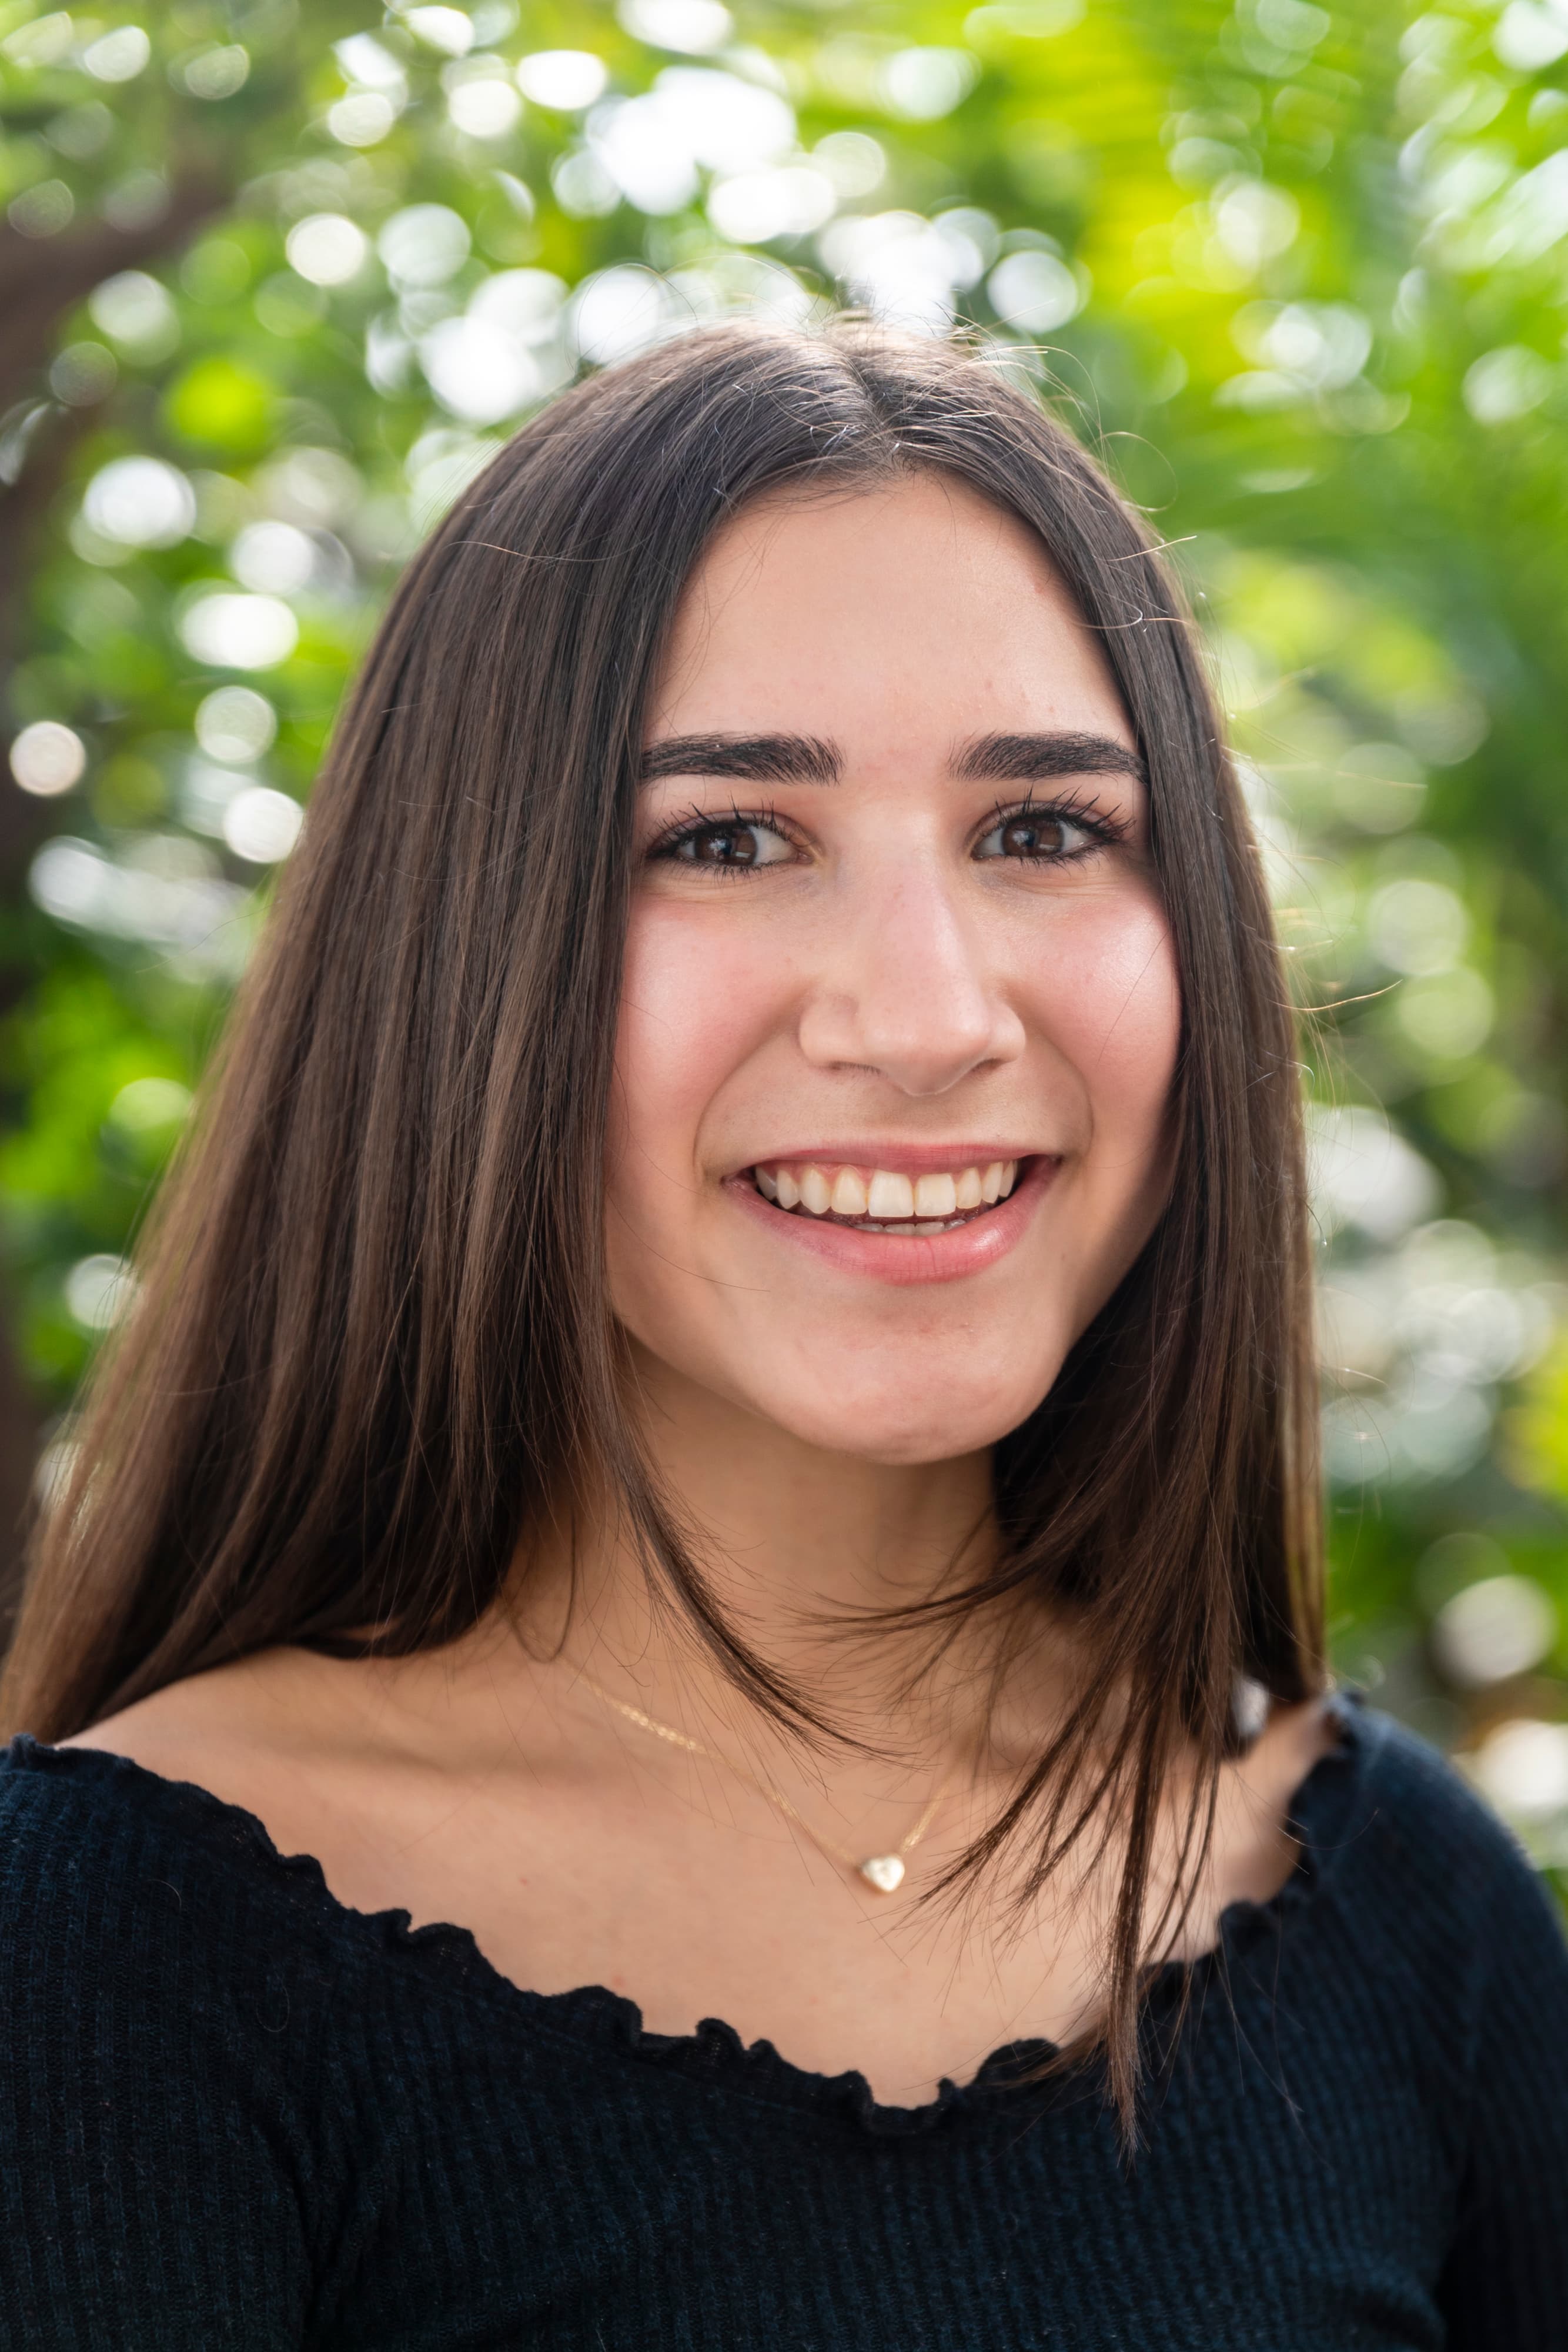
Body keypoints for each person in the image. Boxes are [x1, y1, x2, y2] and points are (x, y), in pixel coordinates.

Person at [1, 322, 1564, 2351]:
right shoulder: (108, 1958)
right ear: (462, 951)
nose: (924, 1017)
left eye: (1042, 832)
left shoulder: (1395, 1907)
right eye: (728, 838)